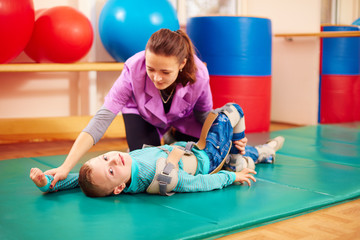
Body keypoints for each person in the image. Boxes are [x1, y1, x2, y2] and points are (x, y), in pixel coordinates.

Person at [42, 28, 213, 189]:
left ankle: (172, 136)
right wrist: (65, 167)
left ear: (182, 64)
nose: (157, 78)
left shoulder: (200, 75)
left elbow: (204, 115)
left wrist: (232, 137)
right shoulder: (133, 68)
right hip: (141, 115)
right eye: (150, 69)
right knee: (148, 169)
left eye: (165, 72)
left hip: (184, 120)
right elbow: (101, 120)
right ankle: (152, 141)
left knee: (200, 155)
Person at [30, 103, 285, 197]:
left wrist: (47, 183)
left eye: (105, 157)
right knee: (232, 111)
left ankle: (260, 153)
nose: (114, 161)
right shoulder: (160, 176)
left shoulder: (124, 167)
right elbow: (199, 184)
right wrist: (231, 178)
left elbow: (80, 181)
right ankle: (238, 160)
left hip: (189, 147)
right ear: (119, 188)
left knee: (241, 155)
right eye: (110, 171)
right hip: (208, 157)